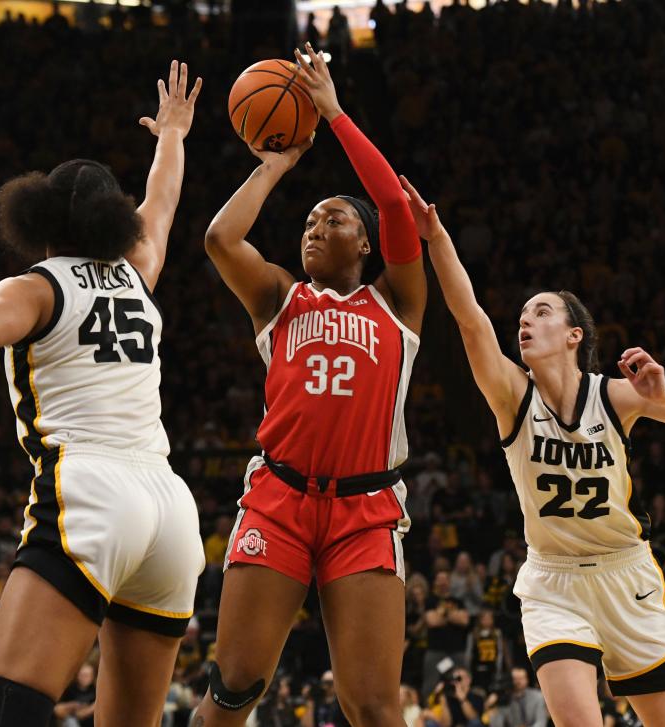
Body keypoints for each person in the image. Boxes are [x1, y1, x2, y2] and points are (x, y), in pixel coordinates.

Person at [0, 61, 205, 727]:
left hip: (91, 490)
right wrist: (172, 136)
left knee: (8, 714)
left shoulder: (38, 285)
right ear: (116, 221)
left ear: (41, 214)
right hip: (171, 510)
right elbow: (161, 204)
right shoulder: (140, 270)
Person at [398, 176, 665, 727]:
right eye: (523, 316)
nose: (524, 321)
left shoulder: (614, 395)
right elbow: (469, 317)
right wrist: (436, 238)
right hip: (554, 582)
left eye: (540, 312)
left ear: (574, 334)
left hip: (626, 574)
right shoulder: (511, 395)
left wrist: (664, 397)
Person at [195, 42, 425, 727]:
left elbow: (393, 200)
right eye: (308, 220)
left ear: (367, 243)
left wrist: (334, 115)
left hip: (365, 510)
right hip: (280, 500)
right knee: (234, 684)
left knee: (376, 708)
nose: (316, 226)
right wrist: (272, 167)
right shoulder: (279, 298)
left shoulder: (397, 302)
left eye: (335, 218)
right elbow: (219, 239)